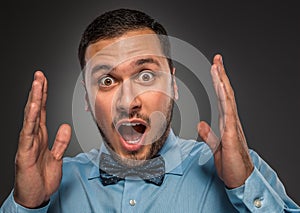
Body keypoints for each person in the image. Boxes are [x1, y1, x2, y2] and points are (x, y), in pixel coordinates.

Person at [0, 8, 299, 213]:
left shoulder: (244, 171)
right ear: (88, 101)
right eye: (106, 80)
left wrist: (244, 185)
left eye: (145, 75)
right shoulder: (51, 186)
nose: (128, 101)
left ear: (173, 84)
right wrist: (26, 206)